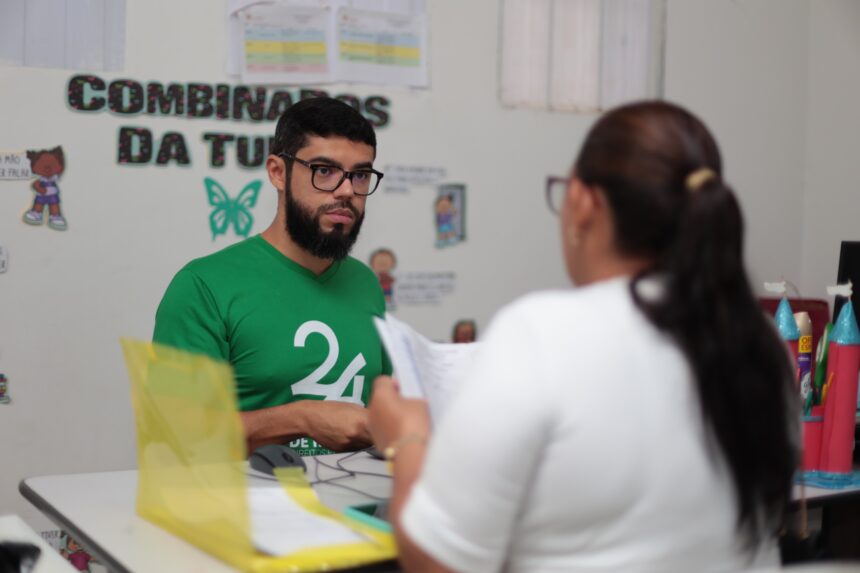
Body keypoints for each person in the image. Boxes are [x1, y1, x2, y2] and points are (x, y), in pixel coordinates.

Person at [369, 101, 799, 572]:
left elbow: (435, 561)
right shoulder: (757, 343)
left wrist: (406, 438)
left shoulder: (542, 333)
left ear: (583, 204)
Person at [154, 97, 389, 456]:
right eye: (324, 170)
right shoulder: (203, 286)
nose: (346, 191)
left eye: (359, 175)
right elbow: (176, 436)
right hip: (246, 510)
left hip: (356, 508)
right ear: (278, 172)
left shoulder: (365, 283)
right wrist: (301, 418)